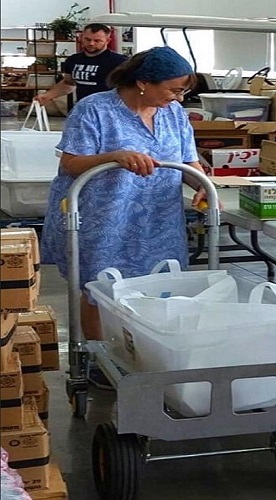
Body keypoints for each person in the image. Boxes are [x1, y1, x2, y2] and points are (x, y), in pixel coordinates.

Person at [40, 46, 210, 388]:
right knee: (99, 286)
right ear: (144, 82)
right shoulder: (95, 109)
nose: (179, 97)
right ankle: (102, 359)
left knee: (159, 283)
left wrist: (202, 184)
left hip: (157, 216)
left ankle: (144, 353)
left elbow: (189, 161)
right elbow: (70, 164)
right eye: (175, 89)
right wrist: (115, 156)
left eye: (183, 91)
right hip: (103, 214)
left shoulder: (174, 113)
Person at [34, 23, 129, 106]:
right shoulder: (73, 60)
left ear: (107, 41)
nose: (91, 43)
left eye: (97, 41)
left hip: (109, 110)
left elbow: (131, 88)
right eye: (87, 39)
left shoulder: (120, 62)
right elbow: (68, 84)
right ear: (81, 38)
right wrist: (47, 96)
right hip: (83, 108)